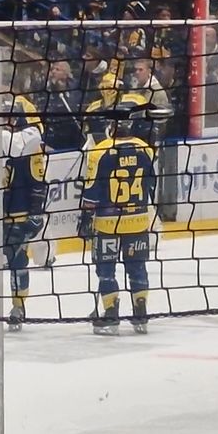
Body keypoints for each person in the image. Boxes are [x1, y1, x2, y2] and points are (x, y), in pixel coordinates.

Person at [79, 100, 158, 336]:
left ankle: (111, 313)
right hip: (138, 220)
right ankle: (140, 312)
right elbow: (150, 184)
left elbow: (92, 194)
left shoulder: (99, 151)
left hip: (108, 223)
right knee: (137, 267)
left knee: (106, 270)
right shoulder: (146, 148)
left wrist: (85, 218)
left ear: (111, 126)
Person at [1, 96, 47, 332]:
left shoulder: (29, 144)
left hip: (17, 214)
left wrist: (35, 214)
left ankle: (18, 306)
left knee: (17, 262)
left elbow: (38, 183)